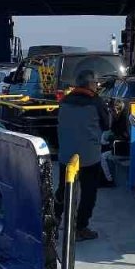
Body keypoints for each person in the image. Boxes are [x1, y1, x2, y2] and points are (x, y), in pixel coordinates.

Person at [57, 69, 112, 241]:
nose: (97, 86)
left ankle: (53, 220)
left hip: (66, 154)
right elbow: (107, 124)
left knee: (63, 189)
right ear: (90, 84)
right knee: (89, 192)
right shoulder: (96, 102)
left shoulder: (65, 100)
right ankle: (80, 228)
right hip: (89, 156)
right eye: (95, 83)